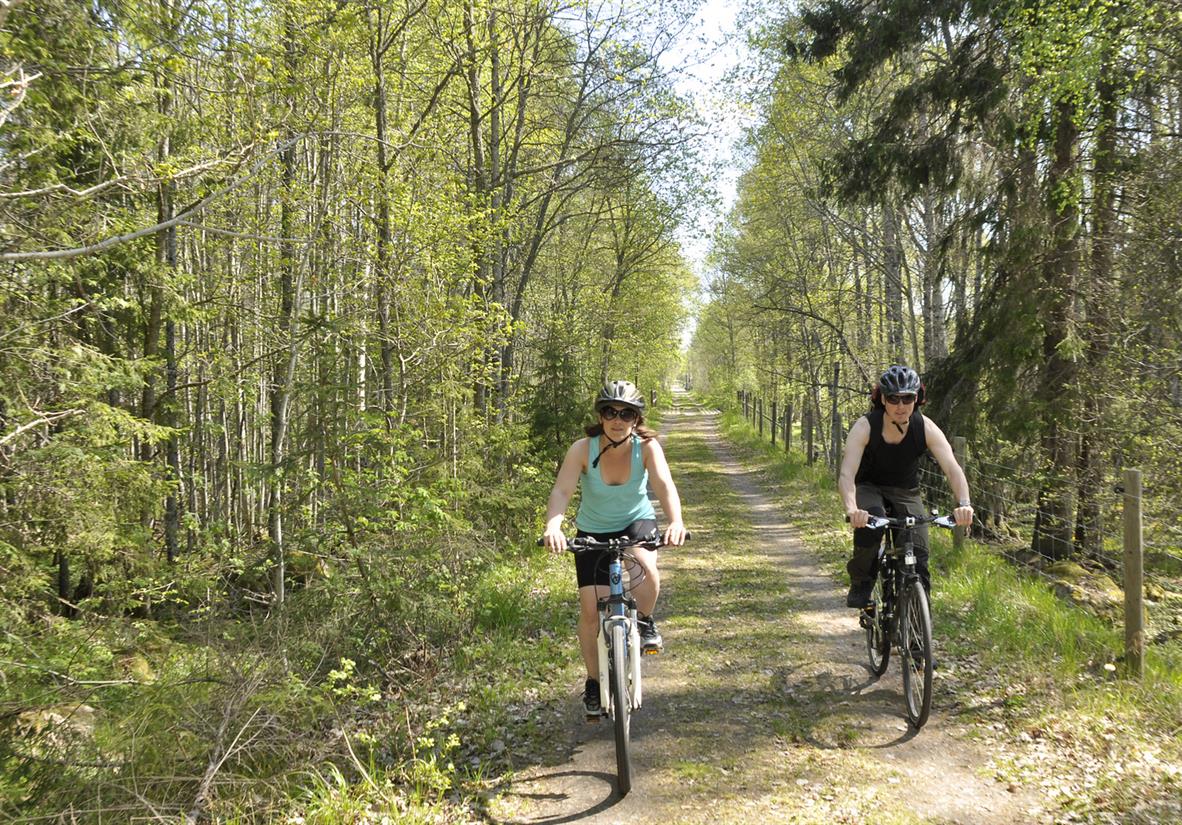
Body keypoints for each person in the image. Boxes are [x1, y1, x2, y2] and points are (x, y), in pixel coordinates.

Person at [542, 379, 687, 716]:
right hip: (593, 530)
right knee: (591, 612)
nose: (617, 419)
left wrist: (676, 521)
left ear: (636, 419)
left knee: (647, 571)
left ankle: (646, 621)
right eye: (610, 412)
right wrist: (553, 525)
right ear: (601, 416)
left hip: (636, 522)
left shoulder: (647, 447)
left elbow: (665, 486)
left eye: (626, 413)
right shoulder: (582, 448)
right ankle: (594, 681)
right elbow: (562, 491)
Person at [838, 365, 974, 609]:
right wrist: (852, 509)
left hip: (906, 491)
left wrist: (964, 504)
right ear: (882, 399)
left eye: (907, 398)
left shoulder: (926, 428)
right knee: (872, 520)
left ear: (917, 399)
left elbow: (953, 469)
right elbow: (847, 474)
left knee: (919, 558)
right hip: (869, 486)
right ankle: (862, 581)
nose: (901, 406)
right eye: (893, 398)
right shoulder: (865, 427)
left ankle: (916, 631)